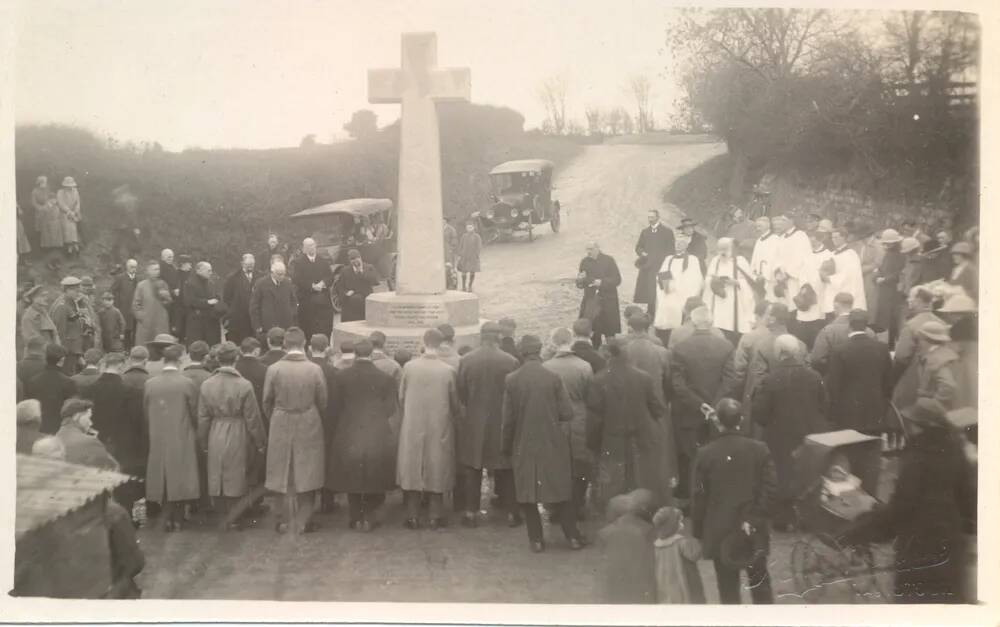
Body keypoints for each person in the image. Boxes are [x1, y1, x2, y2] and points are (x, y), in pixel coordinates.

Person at [842, 398, 973, 603]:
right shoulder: (956, 449)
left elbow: (902, 506)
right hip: (951, 540)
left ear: (921, 426)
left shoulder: (916, 457)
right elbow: (967, 497)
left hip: (919, 544)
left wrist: (867, 522)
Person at [502, 334, 585, 552]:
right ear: (539, 351)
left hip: (524, 442)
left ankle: (536, 540)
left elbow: (508, 420)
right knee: (560, 489)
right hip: (553, 441)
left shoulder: (512, 379)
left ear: (521, 352)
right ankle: (572, 537)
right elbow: (567, 413)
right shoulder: (553, 377)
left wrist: (505, 446)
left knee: (528, 492)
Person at [692, 398, 776, 604]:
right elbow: (770, 490)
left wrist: (698, 532)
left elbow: (699, 497)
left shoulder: (705, 454)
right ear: (742, 419)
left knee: (727, 590)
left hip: (721, 531)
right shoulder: (760, 449)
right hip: (752, 529)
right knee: (760, 584)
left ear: (717, 422)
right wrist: (754, 518)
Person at [752, 334, 828, 528]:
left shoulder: (770, 380)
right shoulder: (814, 376)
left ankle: (783, 519)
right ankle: (807, 517)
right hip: (809, 435)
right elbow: (825, 406)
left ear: (778, 354)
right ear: (797, 352)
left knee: (781, 475)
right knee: (808, 474)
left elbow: (760, 414)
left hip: (779, 437)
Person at [587, 336, 671, 511]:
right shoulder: (643, 377)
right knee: (641, 480)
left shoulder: (598, 380)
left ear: (607, 355)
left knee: (613, 483)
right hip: (641, 439)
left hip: (611, 440)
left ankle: (616, 515)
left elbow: (595, 418)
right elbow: (658, 409)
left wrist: (593, 443)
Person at [326, 339, 398, 532]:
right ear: (372, 354)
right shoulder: (386, 378)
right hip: (376, 430)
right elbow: (391, 408)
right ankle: (370, 516)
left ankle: (355, 516)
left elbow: (334, 406)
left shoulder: (341, 377)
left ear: (356, 355)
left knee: (353, 473)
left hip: (349, 429)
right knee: (375, 472)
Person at [455, 323, 522, 526]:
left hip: (475, 420)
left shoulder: (467, 360)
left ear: (481, 337)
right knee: (505, 466)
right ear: (498, 338)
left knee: (474, 467)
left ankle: (471, 512)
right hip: (501, 420)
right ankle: (512, 512)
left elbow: (462, 392)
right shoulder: (510, 361)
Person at [263, 327, 328, 534]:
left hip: (281, 419)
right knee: (308, 469)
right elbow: (323, 400)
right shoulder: (314, 369)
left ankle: (283, 520)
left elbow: (266, 401)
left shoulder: (273, 369)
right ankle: (304, 520)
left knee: (282, 470)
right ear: (304, 343)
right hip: (308, 419)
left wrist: (276, 415)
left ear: (284, 344)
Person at [197, 341, 267, 530]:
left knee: (217, 471)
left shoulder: (206, 384)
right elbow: (253, 418)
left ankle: (222, 514)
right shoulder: (244, 385)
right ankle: (234, 517)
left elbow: (203, 417)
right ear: (236, 359)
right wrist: (260, 441)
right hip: (238, 429)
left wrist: (203, 440)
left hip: (215, 429)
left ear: (218, 360)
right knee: (236, 472)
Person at [397, 329, 460, 529]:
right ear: (441, 343)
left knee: (413, 466)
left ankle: (413, 515)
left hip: (413, 423)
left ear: (423, 342)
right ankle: (435, 515)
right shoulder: (448, 370)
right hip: (438, 423)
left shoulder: (409, 367)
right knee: (437, 465)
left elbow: (401, 397)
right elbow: (454, 402)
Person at [670, 307, 735, 500]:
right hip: (717, 412)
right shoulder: (726, 346)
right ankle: (712, 495)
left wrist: (700, 404)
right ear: (711, 322)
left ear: (692, 322)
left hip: (688, 411)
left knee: (688, 455)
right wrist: (714, 405)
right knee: (715, 453)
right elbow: (730, 380)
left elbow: (678, 384)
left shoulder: (681, 348)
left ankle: (688, 496)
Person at [144, 342, 201, 531]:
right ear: (178, 361)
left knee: (161, 476)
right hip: (181, 433)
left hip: (158, 434)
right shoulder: (186, 383)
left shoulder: (150, 384)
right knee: (180, 474)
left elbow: (145, 411)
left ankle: (166, 518)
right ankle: (178, 518)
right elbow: (195, 412)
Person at [82, 351, 146, 513]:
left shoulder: (89, 389)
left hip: (97, 440)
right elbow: (138, 421)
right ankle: (125, 516)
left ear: (103, 365)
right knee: (123, 484)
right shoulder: (132, 392)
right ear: (122, 366)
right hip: (123, 443)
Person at [542, 327, 595, 521]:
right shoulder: (584, 366)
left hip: (555, 420)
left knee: (556, 464)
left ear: (554, 342)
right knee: (580, 464)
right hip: (579, 418)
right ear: (571, 341)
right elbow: (590, 395)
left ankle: (555, 506)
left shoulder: (546, 366)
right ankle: (577, 504)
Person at [826, 310, 893, 433]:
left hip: (849, 411)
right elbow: (888, 382)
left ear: (849, 325)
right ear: (866, 325)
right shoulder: (882, 348)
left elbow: (833, 385)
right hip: (875, 409)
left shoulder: (839, 350)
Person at [595, 492, 657, 604]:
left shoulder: (605, 532)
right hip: (641, 576)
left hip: (617, 576)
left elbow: (602, 552)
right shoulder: (647, 529)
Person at [653, 235, 704, 345]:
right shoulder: (669, 259)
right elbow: (661, 273)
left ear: (686, 245)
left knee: (678, 320)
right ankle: (663, 342)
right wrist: (667, 285)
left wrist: (681, 289)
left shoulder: (692, 260)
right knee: (665, 320)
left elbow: (696, 279)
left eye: (681, 243)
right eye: (677, 242)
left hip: (682, 295)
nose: (678, 245)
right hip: (668, 295)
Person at [703, 237, 755, 343]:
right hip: (718, 299)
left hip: (735, 299)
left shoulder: (741, 261)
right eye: (720, 249)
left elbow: (749, 282)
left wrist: (737, 282)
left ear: (732, 249)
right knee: (718, 326)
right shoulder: (715, 261)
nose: (722, 253)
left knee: (731, 327)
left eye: (725, 249)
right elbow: (708, 277)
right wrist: (713, 281)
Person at [652, 505, 706, 604]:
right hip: (682, 581)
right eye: (679, 522)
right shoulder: (681, 542)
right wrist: (695, 540)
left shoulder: (656, 544)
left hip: (663, 581)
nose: (682, 525)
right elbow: (695, 555)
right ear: (671, 525)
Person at [810, 292, 873, 374]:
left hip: (835, 379)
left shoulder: (827, 331)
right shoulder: (869, 331)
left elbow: (817, 359)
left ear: (836, 306)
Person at [575, 242, 622, 348]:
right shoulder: (585, 262)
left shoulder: (609, 260)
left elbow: (617, 279)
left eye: (591, 249)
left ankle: (611, 354)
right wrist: (579, 281)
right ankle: (595, 353)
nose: (588, 251)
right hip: (591, 300)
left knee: (609, 332)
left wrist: (602, 282)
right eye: (587, 249)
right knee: (592, 330)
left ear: (598, 248)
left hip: (608, 300)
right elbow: (581, 282)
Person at [26, 344, 78, 434]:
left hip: (38, 428)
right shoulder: (68, 382)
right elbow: (72, 410)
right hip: (59, 430)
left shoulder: (33, 381)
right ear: (61, 360)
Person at [55, 398, 120, 470]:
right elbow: (114, 468)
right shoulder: (90, 442)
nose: (91, 423)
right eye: (89, 418)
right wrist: (94, 441)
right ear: (77, 416)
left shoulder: (53, 440)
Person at [633, 209, 676, 318]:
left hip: (663, 267)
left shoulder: (667, 232)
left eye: (652, 217)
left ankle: (664, 314)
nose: (650, 219)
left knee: (665, 290)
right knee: (650, 291)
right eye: (649, 217)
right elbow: (638, 247)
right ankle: (651, 314)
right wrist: (642, 253)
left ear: (658, 218)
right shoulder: (645, 232)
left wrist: (664, 262)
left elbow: (671, 250)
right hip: (648, 266)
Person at [911, 320, 960, 414]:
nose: (918, 343)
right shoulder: (946, 352)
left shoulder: (936, 359)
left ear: (926, 339)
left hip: (941, 413)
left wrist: (933, 403)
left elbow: (948, 386)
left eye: (919, 339)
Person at [50, 276, 94, 375]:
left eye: (78, 290)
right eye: (75, 290)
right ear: (67, 290)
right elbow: (59, 332)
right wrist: (62, 353)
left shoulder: (71, 303)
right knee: (68, 375)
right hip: (68, 350)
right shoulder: (62, 306)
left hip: (75, 350)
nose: (78, 293)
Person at [292, 238, 335, 339]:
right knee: (309, 328)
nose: (311, 248)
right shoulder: (299, 262)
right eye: (308, 246)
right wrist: (311, 286)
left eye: (312, 245)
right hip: (307, 299)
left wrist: (323, 283)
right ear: (304, 248)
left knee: (324, 327)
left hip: (323, 300)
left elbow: (330, 276)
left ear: (316, 246)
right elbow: (297, 279)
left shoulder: (322, 260)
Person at [822, 227, 867, 315]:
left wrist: (828, 278)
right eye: (832, 237)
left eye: (836, 237)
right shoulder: (832, 254)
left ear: (844, 238)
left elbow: (847, 276)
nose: (834, 240)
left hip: (847, 292)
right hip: (833, 292)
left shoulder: (851, 255)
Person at [872, 228, 906, 347]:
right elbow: (882, 269)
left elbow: (899, 273)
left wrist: (885, 279)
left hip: (893, 291)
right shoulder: (888, 254)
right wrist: (877, 275)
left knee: (893, 317)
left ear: (895, 243)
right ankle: (887, 342)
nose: (886, 245)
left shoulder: (900, 255)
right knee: (884, 317)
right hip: (885, 290)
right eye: (885, 243)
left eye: (888, 243)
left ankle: (892, 343)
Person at [250, 261, 298, 340]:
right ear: (272, 272)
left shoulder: (287, 283)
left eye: (283, 274)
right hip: (267, 326)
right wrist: (257, 325)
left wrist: (291, 315)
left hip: (286, 325)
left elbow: (294, 301)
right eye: (279, 274)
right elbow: (254, 306)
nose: (282, 276)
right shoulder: (261, 283)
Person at [132, 260, 172, 350]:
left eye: (158, 269)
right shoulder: (141, 285)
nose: (157, 271)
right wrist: (142, 317)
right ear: (148, 271)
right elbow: (136, 304)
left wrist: (165, 297)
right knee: (144, 347)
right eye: (154, 269)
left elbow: (169, 303)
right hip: (146, 322)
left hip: (161, 321)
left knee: (161, 345)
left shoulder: (163, 284)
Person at [223, 254, 262, 345]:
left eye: (252, 264)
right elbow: (227, 297)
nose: (250, 267)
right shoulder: (232, 278)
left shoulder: (260, 276)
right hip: (239, 318)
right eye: (248, 264)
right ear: (242, 263)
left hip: (255, 317)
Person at [337, 249, 379, 323]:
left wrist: (362, 272)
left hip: (365, 299)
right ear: (349, 260)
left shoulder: (369, 267)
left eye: (356, 258)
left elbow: (375, 281)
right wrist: (346, 293)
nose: (355, 261)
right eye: (352, 259)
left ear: (360, 257)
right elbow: (340, 286)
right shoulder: (345, 271)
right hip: (351, 303)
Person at [109, 184, 142, 264]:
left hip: (127, 227)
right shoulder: (123, 202)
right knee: (118, 247)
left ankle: (128, 264)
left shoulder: (129, 201)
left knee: (128, 247)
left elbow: (132, 214)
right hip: (122, 227)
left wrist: (135, 227)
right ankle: (119, 264)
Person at [111, 259, 140, 349]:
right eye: (131, 267)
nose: (133, 269)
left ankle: (134, 347)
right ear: (127, 267)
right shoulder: (120, 278)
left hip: (135, 308)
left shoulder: (138, 279)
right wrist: (117, 304)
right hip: (124, 308)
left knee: (136, 328)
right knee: (125, 329)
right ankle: (126, 349)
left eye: (135, 267)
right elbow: (112, 291)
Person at [750, 216, 778, 301]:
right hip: (757, 277)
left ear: (768, 226)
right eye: (757, 226)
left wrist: (765, 275)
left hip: (769, 277)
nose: (758, 229)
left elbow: (773, 259)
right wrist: (753, 272)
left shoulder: (775, 239)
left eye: (760, 226)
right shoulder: (759, 240)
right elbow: (754, 258)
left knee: (769, 299)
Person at [56, 177, 82, 257]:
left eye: (71, 186)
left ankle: (75, 248)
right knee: (67, 230)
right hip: (64, 213)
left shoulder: (75, 191)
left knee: (73, 229)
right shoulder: (60, 192)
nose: (70, 187)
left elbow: (78, 203)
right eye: (68, 186)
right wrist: (69, 212)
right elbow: (61, 204)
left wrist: (75, 211)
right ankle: (69, 248)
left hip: (74, 213)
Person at [456, 221, 483, 292]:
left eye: (470, 227)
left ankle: (470, 286)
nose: (469, 229)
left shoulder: (477, 236)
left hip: (473, 257)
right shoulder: (464, 236)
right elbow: (460, 246)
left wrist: (476, 254)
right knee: (463, 272)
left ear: (473, 228)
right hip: (464, 257)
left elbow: (479, 247)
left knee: (472, 272)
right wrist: (459, 255)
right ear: (466, 228)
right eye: (468, 227)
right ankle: (463, 286)